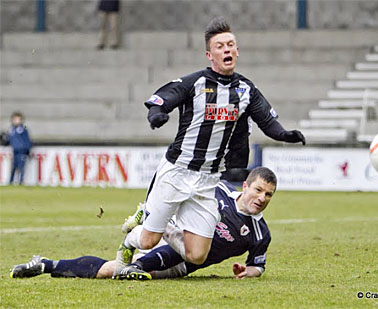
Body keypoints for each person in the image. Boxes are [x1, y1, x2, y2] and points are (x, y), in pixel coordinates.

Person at [114, 16, 305, 276]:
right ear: (209, 54)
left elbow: (266, 121)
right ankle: (130, 241)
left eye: (231, 45)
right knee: (148, 241)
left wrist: (286, 135)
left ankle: (151, 216)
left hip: (208, 180)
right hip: (177, 170)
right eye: (220, 46)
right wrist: (156, 115)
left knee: (197, 254)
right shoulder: (195, 83)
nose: (227, 49)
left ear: (237, 50)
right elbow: (163, 99)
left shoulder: (246, 90)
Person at [10, 167, 277, 280]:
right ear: (245, 185)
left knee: (115, 271)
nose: (261, 198)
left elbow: (258, 266)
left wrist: (246, 271)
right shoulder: (216, 188)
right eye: (258, 190)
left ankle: (46, 265)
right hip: (171, 229)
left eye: (268, 195)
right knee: (122, 269)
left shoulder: (259, 233)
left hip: (180, 259)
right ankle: (150, 219)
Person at [4, 112, 32, 185]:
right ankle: (11, 181)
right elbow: (9, 140)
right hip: (15, 151)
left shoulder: (23, 129)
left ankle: (21, 181)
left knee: (21, 167)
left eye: (18, 119)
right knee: (14, 167)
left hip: (22, 151)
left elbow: (27, 140)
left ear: (21, 120)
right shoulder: (11, 129)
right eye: (14, 119)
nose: (16, 121)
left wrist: (28, 150)